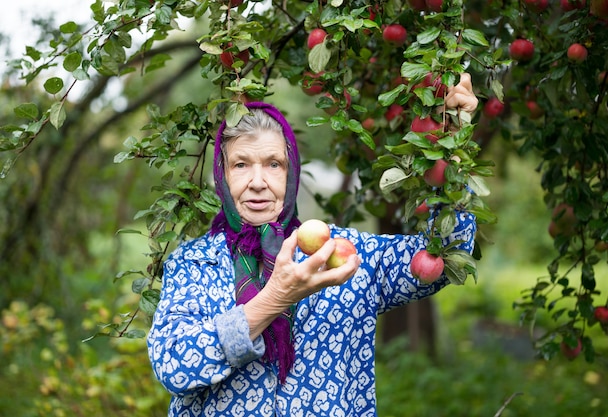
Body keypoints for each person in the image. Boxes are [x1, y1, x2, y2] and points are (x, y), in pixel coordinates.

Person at [147, 75, 478, 417]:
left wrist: (451, 146)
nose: (258, 182)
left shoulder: (339, 254)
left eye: (273, 164)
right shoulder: (194, 264)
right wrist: (276, 299)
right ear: (223, 175)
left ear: (291, 175)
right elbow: (172, 364)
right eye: (241, 164)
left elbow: (448, 252)